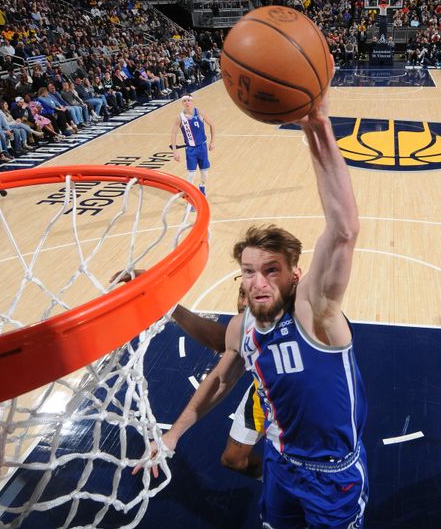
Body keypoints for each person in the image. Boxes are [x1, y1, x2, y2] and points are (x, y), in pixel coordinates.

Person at [136, 92, 368, 527]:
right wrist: (172, 436)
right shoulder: (244, 327)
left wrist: (316, 126)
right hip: (280, 463)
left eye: (271, 270)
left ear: (296, 275)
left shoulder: (315, 314)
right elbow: (222, 378)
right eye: (248, 271)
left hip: (332, 476)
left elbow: (343, 230)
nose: (257, 282)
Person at [123, 276, 265, 477]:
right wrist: (172, 435)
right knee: (233, 459)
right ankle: (267, 479)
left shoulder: (300, 316)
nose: (243, 304)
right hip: (265, 395)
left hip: (308, 406)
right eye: (242, 293)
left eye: (253, 296)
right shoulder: (244, 330)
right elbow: (220, 360)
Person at [171, 95, 214, 196]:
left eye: (188, 100)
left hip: (202, 148)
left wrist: (212, 142)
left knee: (205, 174)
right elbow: (173, 134)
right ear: (182, 103)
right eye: (184, 101)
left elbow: (212, 125)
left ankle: (202, 187)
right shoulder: (179, 118)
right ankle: (190, 196)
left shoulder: (200, 112)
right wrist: (175, 151)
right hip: (190, 149)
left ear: (192, 101)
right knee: (191, 174)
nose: (187, 102)